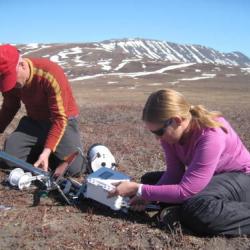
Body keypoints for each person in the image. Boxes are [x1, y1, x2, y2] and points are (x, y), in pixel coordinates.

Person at [109, 88, 250, 236]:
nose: (158, 138)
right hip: (214, 179)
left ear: (176, 120)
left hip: (242, 178)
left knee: (196, 207)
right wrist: (146, 195)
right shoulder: (171, 134)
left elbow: (186, 190)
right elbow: (174, 173)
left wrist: (140, 190)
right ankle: (182, 212)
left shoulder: (211, 135)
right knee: (149, 180)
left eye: (159, 132)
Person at [0, 44, 87, 176]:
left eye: (11, 78)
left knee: (74, 169)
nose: (11, 84)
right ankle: (46, 152)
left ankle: (49, 152)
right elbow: (9, 107)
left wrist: (47, 151)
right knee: (9, 159)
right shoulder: (10, 82)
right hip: (34, 123)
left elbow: (60, 119)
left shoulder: (50, 73)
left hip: (62, 123)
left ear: (22, 65)